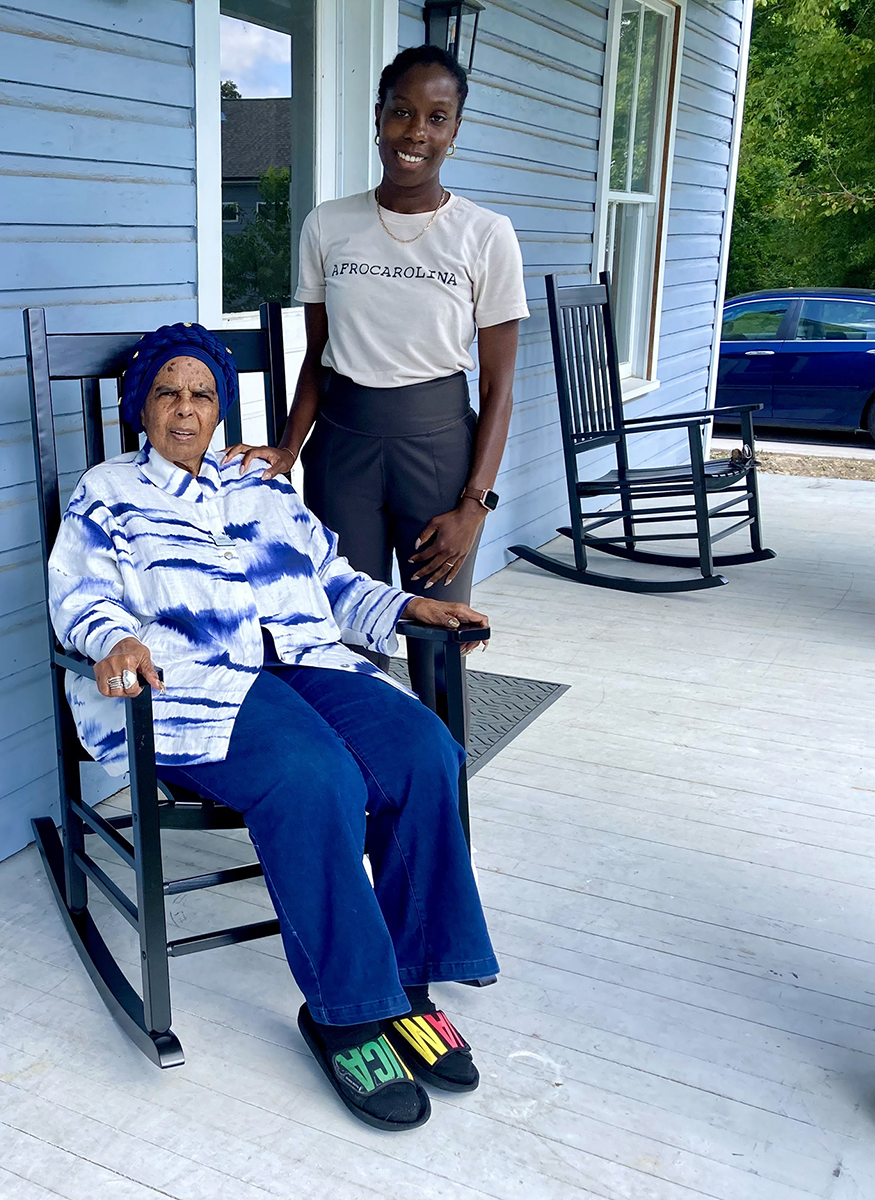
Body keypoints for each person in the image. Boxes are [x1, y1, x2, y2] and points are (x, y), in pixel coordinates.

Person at [48, 321, 499, 1132]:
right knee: (314, 774)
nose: (184, 412)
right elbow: (78, 594)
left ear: (220, 408)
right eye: (166, 394)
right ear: (139, 407)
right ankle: (348, 1012)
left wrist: (404, 605)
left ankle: (409, 986)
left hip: (307, 664)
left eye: (201, 394)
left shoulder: (261, 485)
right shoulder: (107, 493)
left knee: (425, 752)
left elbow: (332, 578)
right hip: (195, 686)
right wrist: (112, 638)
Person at [228, 43, 528, 610]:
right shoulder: (328, 224)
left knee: (439, 634)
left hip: (439, 453)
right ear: (379, 117)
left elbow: (498, 386)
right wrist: (290, 447)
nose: (416, 131)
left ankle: (436, 706)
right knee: (348, 626)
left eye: (437, 117)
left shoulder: (486, 234)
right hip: (342, 451)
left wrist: (474, 505)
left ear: (455, 130)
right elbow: (319, 353)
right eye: (402, 111)